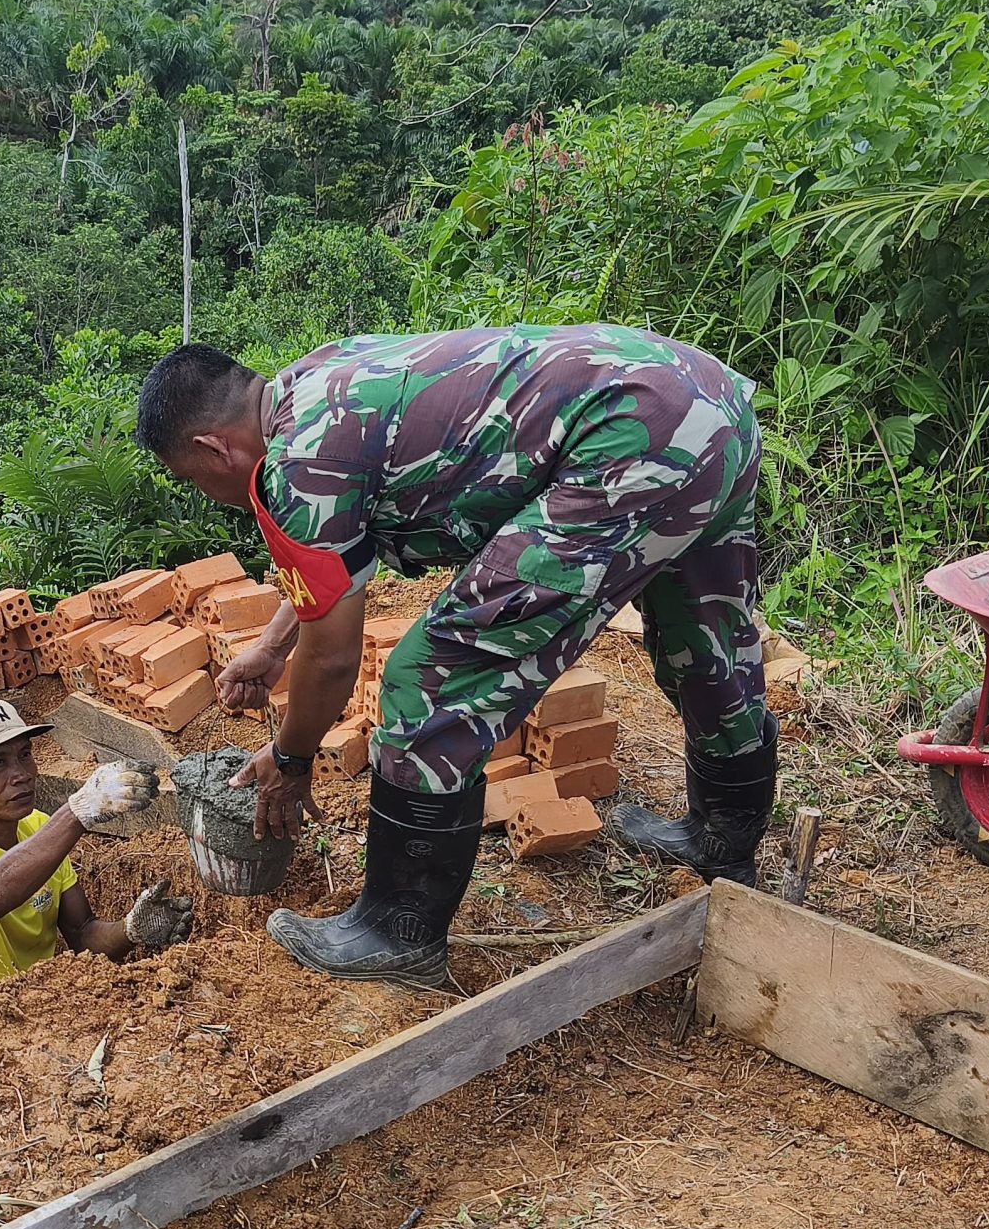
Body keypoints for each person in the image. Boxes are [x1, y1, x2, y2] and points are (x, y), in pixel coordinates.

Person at [132, 324, 775, 987]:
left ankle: (397, 930)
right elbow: (336, 570)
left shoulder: (302, 465)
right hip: (705, 403)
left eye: (194, 479)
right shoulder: (318, 385)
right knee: (705, 634)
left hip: (626, 442)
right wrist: (271, 645)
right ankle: (721, 841)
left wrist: (293, 760)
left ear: (214, 449)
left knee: (429, 678)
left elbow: (331, 658)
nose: (208, 492)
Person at [0, 697, 192, 980]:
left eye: (24, 754)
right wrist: (77, 812)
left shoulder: (39, 828)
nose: (21, 774)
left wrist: (131, 928)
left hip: (41, 1011)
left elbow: (82, 934)